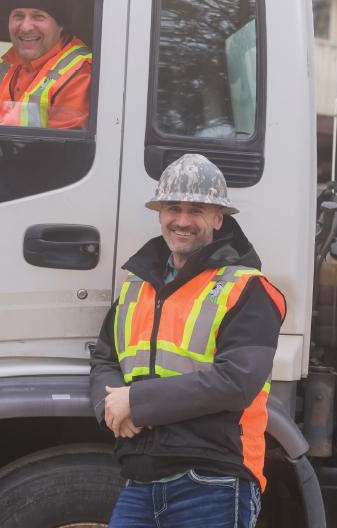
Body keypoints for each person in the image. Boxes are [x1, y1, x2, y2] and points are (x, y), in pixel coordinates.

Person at [89, 154, 286, 527]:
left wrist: (137, 402)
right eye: (172, 208)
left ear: (218, 218)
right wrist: (111, 407)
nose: (181, 220)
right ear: (160, 214)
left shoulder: (247, 288)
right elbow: (104, 359)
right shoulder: (137, 286)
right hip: (141, 480)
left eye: (195, 209)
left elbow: (236, 382)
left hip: (213, 480)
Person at [0, 0, 92, 129]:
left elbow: (65, 150)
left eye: (38, 16)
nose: (26, 27)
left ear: (60, 24)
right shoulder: (7, 63)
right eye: (18, 15)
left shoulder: (80, 70)